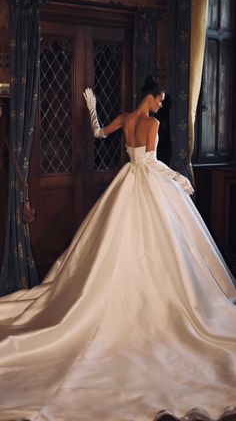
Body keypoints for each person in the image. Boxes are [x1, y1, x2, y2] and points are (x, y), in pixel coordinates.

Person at [0, 76, 236, 421]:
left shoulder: (126, 119)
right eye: (160, 100)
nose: (160, 105)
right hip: (149, 182)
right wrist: (179, 178)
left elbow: (98, 134)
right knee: (162, 242)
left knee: (118, 239)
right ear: (151, 97)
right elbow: (151, 161)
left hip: (127, 182)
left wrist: (93, 110)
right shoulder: (152, 123)